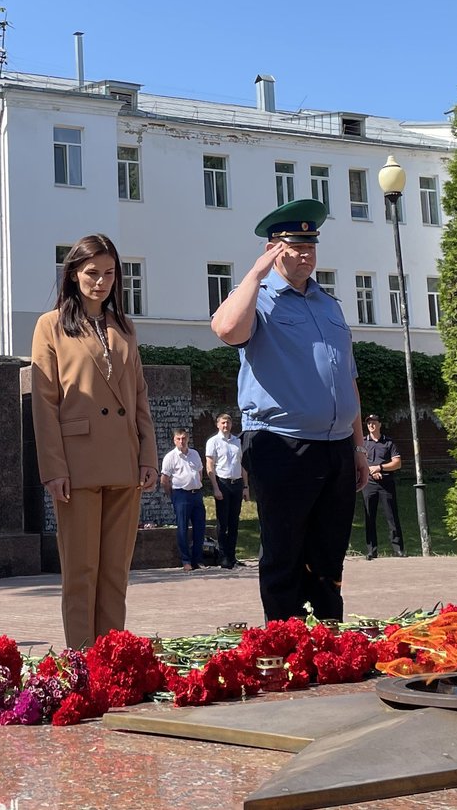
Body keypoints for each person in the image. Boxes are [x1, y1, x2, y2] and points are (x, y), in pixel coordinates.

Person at [210, 199, 368, 623]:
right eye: (295, 248)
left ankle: (330, 636)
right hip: (281, 446)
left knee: (329, 553)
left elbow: (347, 379)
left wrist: (358, 448)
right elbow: (226, 329)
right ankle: (285, 639)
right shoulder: (256, 298)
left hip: (335, 446)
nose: (306, 256)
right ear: (272, 250)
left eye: (311, 247)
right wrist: (256, 273)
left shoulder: (328, 304)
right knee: (284, 552)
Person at [30, 234, 158, 646]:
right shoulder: (50, 326)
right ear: (72, 274)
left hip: (124, 461)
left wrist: (148, 456)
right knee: (81, 572)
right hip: (77, 464)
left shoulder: (125, 326)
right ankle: (81, 660)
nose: (101, 282)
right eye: (91, 273)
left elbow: (139, 396)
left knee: (116, 573)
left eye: (109, 273)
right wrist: (53, 468)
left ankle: (111, 657)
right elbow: (45, 404)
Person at [159, 431, 206, 571]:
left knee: (200, 527)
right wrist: (173, 496)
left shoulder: (194, 454)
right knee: (182, 528)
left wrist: (196, 484)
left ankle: (197, 559)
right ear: (174, 440)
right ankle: (186, 560)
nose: (181, 441)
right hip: (181, 495)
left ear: (188, 439)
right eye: (178, 439)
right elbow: (164, 480)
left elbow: (200, 472)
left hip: (196, 494)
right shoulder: (170, 457)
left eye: (184, 438)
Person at [204, 413, 246, 570]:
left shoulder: (237, 441)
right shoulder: (213, 441)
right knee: (223, 522)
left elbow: (242, 464)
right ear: (218, 424)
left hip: (237, 483)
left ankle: (232, 556)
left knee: (234, 521)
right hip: (223, 483)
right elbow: (210, 465)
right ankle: (223, 557)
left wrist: (246, 487)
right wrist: (215, 487)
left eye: (228, 422)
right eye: (223, 423)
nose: (225, 425)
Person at [360, 414, 405, 559]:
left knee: (392, 516)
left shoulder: (388, 443)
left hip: (386, 483)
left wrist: (380, 468)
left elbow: (397, 463)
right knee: (369, 516)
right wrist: (371, 471)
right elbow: (359, 461)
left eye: (374, 422)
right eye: (369, 423)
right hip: (369, 483)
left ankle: (398, 550)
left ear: (380, 424)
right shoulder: (363, 443)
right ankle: (371, 551)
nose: (371, 425)